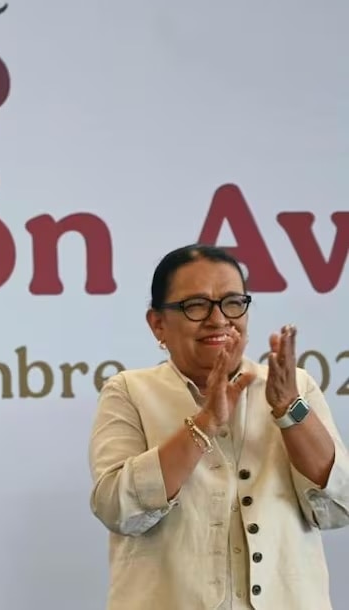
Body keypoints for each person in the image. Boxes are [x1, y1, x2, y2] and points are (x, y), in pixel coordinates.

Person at [88, 243, 349, 609]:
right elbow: (117, 508)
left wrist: (290, 410)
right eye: (195, 305)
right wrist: (204, 424)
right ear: (158, 323)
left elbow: (340, 505)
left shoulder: (293, 386)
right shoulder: (129, 391)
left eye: (232, 302)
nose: (219, 319)